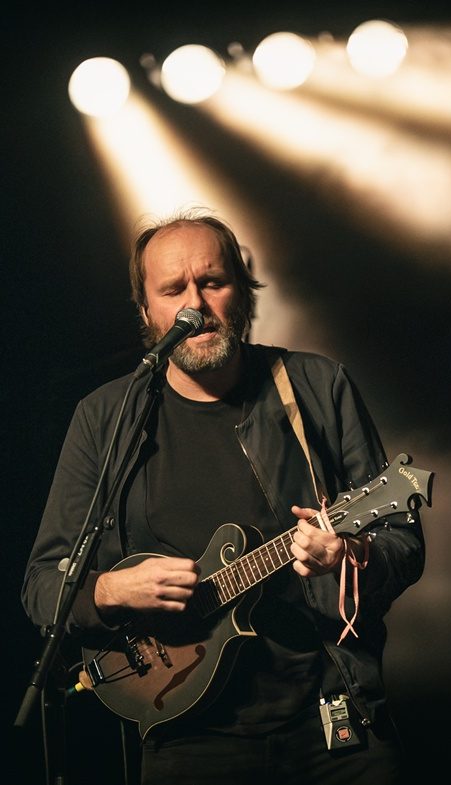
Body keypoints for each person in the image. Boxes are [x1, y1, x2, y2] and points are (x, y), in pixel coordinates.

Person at [21, 209, 426, 785]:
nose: (195, 304)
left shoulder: (316, 386)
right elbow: (42, 587)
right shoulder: (105, 418)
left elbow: (402, 542)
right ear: (146, 312)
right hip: (183, 728)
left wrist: (349, 557)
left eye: (213, 282)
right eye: (173, 289)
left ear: (242, 292)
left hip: (330, 715)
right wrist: (110, 588)